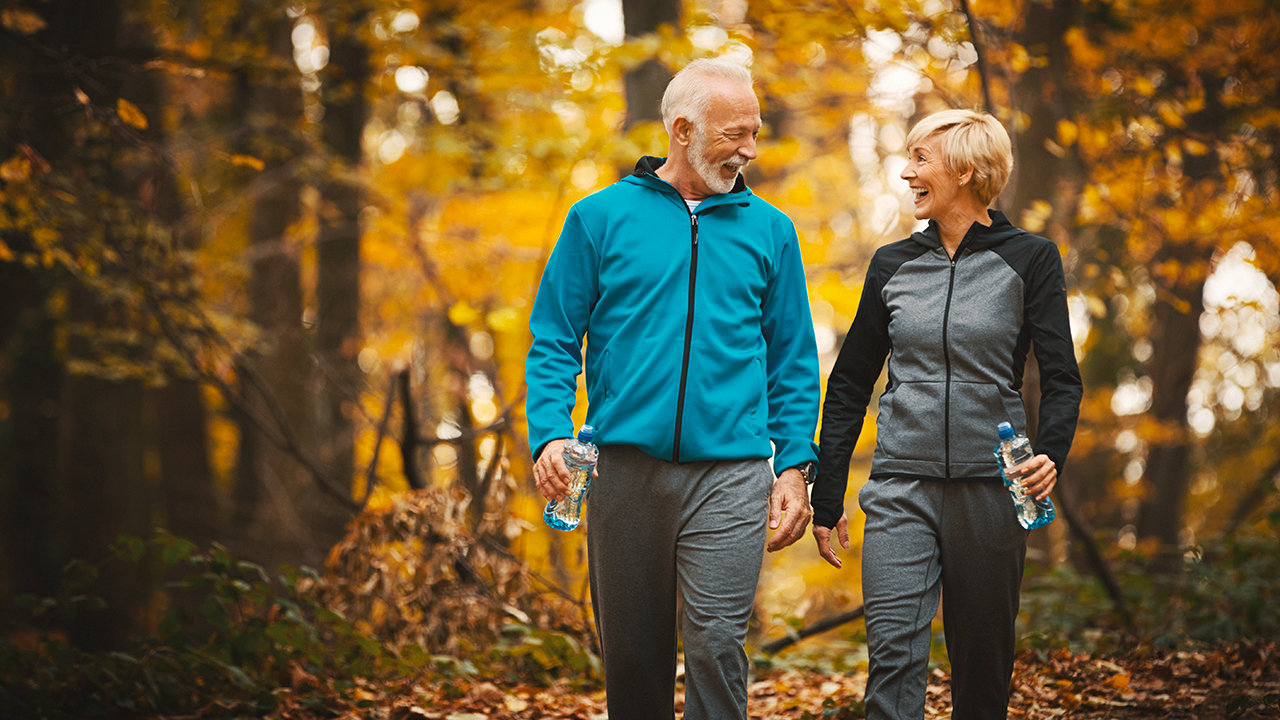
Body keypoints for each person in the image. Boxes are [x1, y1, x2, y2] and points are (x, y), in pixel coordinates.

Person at [524, 57, 821, 720]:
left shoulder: (771, 230)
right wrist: (549, 433)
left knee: (717, 646)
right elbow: (553, 341)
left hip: (731, 472)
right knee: (633, 657)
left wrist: (796, 463)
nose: (749, 149)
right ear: (681, 130)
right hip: (623, 470)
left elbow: (794, 360)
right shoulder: (597, 219)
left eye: (756, 132)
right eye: (733, 134)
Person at [809, 109, 1082, 720]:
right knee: (892, 663)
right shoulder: (892, 265)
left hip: (993, 489)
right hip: (901, 486)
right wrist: (827, 498)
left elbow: (1061, 377)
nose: (907, 173)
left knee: (983, 672)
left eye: (921, 160)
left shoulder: (1030, 259)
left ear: (965, 169)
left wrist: (1050, 455)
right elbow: (850, 383)